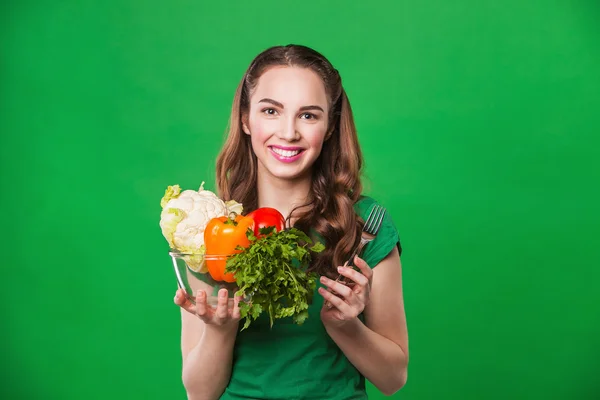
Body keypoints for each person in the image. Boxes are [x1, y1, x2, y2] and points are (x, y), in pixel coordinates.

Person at [174, 44, 409, 400]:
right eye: (271, 111)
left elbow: (394, 379)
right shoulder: (215, 228)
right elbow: (200, 394)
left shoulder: (365, 225)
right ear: (245, 119)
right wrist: (220, 330)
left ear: (330, 127)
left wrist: (345, 326)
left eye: (308, 116)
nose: (288, 132)